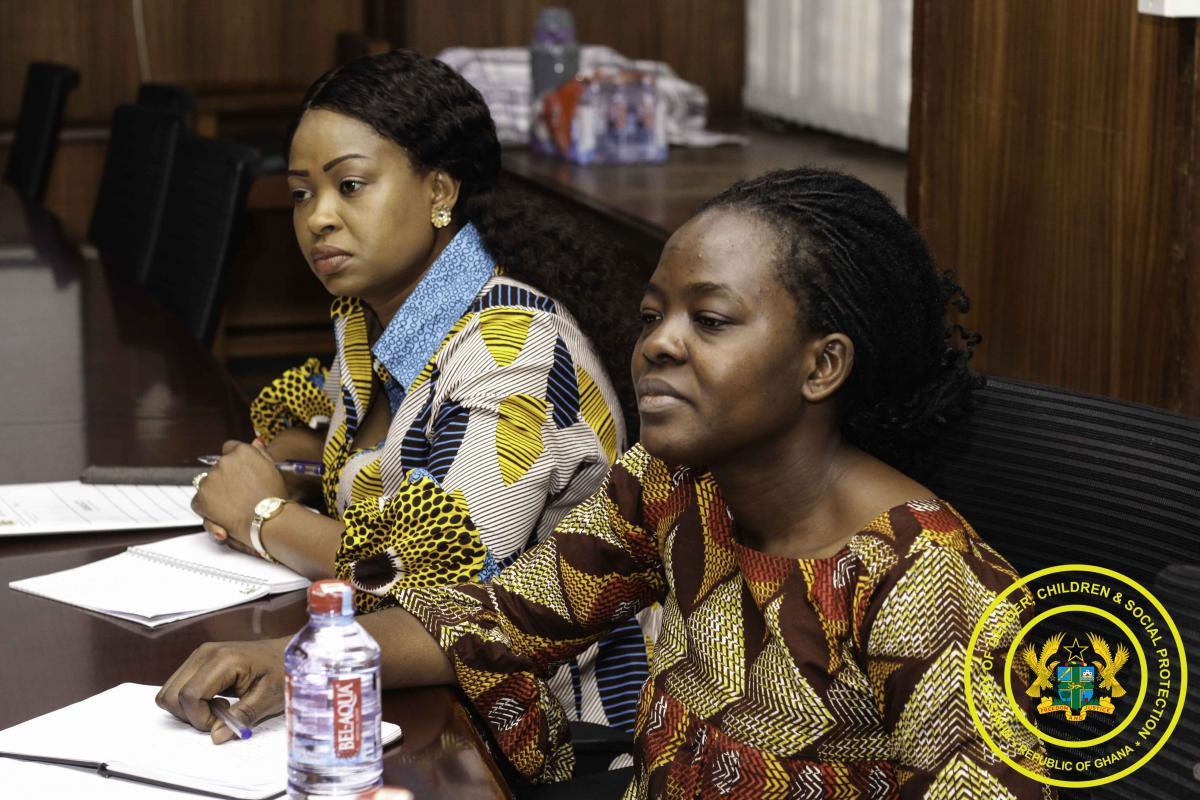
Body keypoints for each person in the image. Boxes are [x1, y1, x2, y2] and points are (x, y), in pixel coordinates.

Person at [162, 168, 1051, 799]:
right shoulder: (673, 485)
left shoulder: (927, 584)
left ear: (822, 366)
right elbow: (496, 618)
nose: (657, 344)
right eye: (653, 315)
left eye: (710, 320)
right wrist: (303, 663)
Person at [189, 49, 653, 734]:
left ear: (439, 192)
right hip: (420, 692)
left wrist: (263, 516)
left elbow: (441, 597)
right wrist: (290, 465)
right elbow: (363, 462)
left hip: (544, 727)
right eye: (301, 193)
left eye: (350, 186)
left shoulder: (511, 350)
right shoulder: (379, 315)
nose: (317, 218)